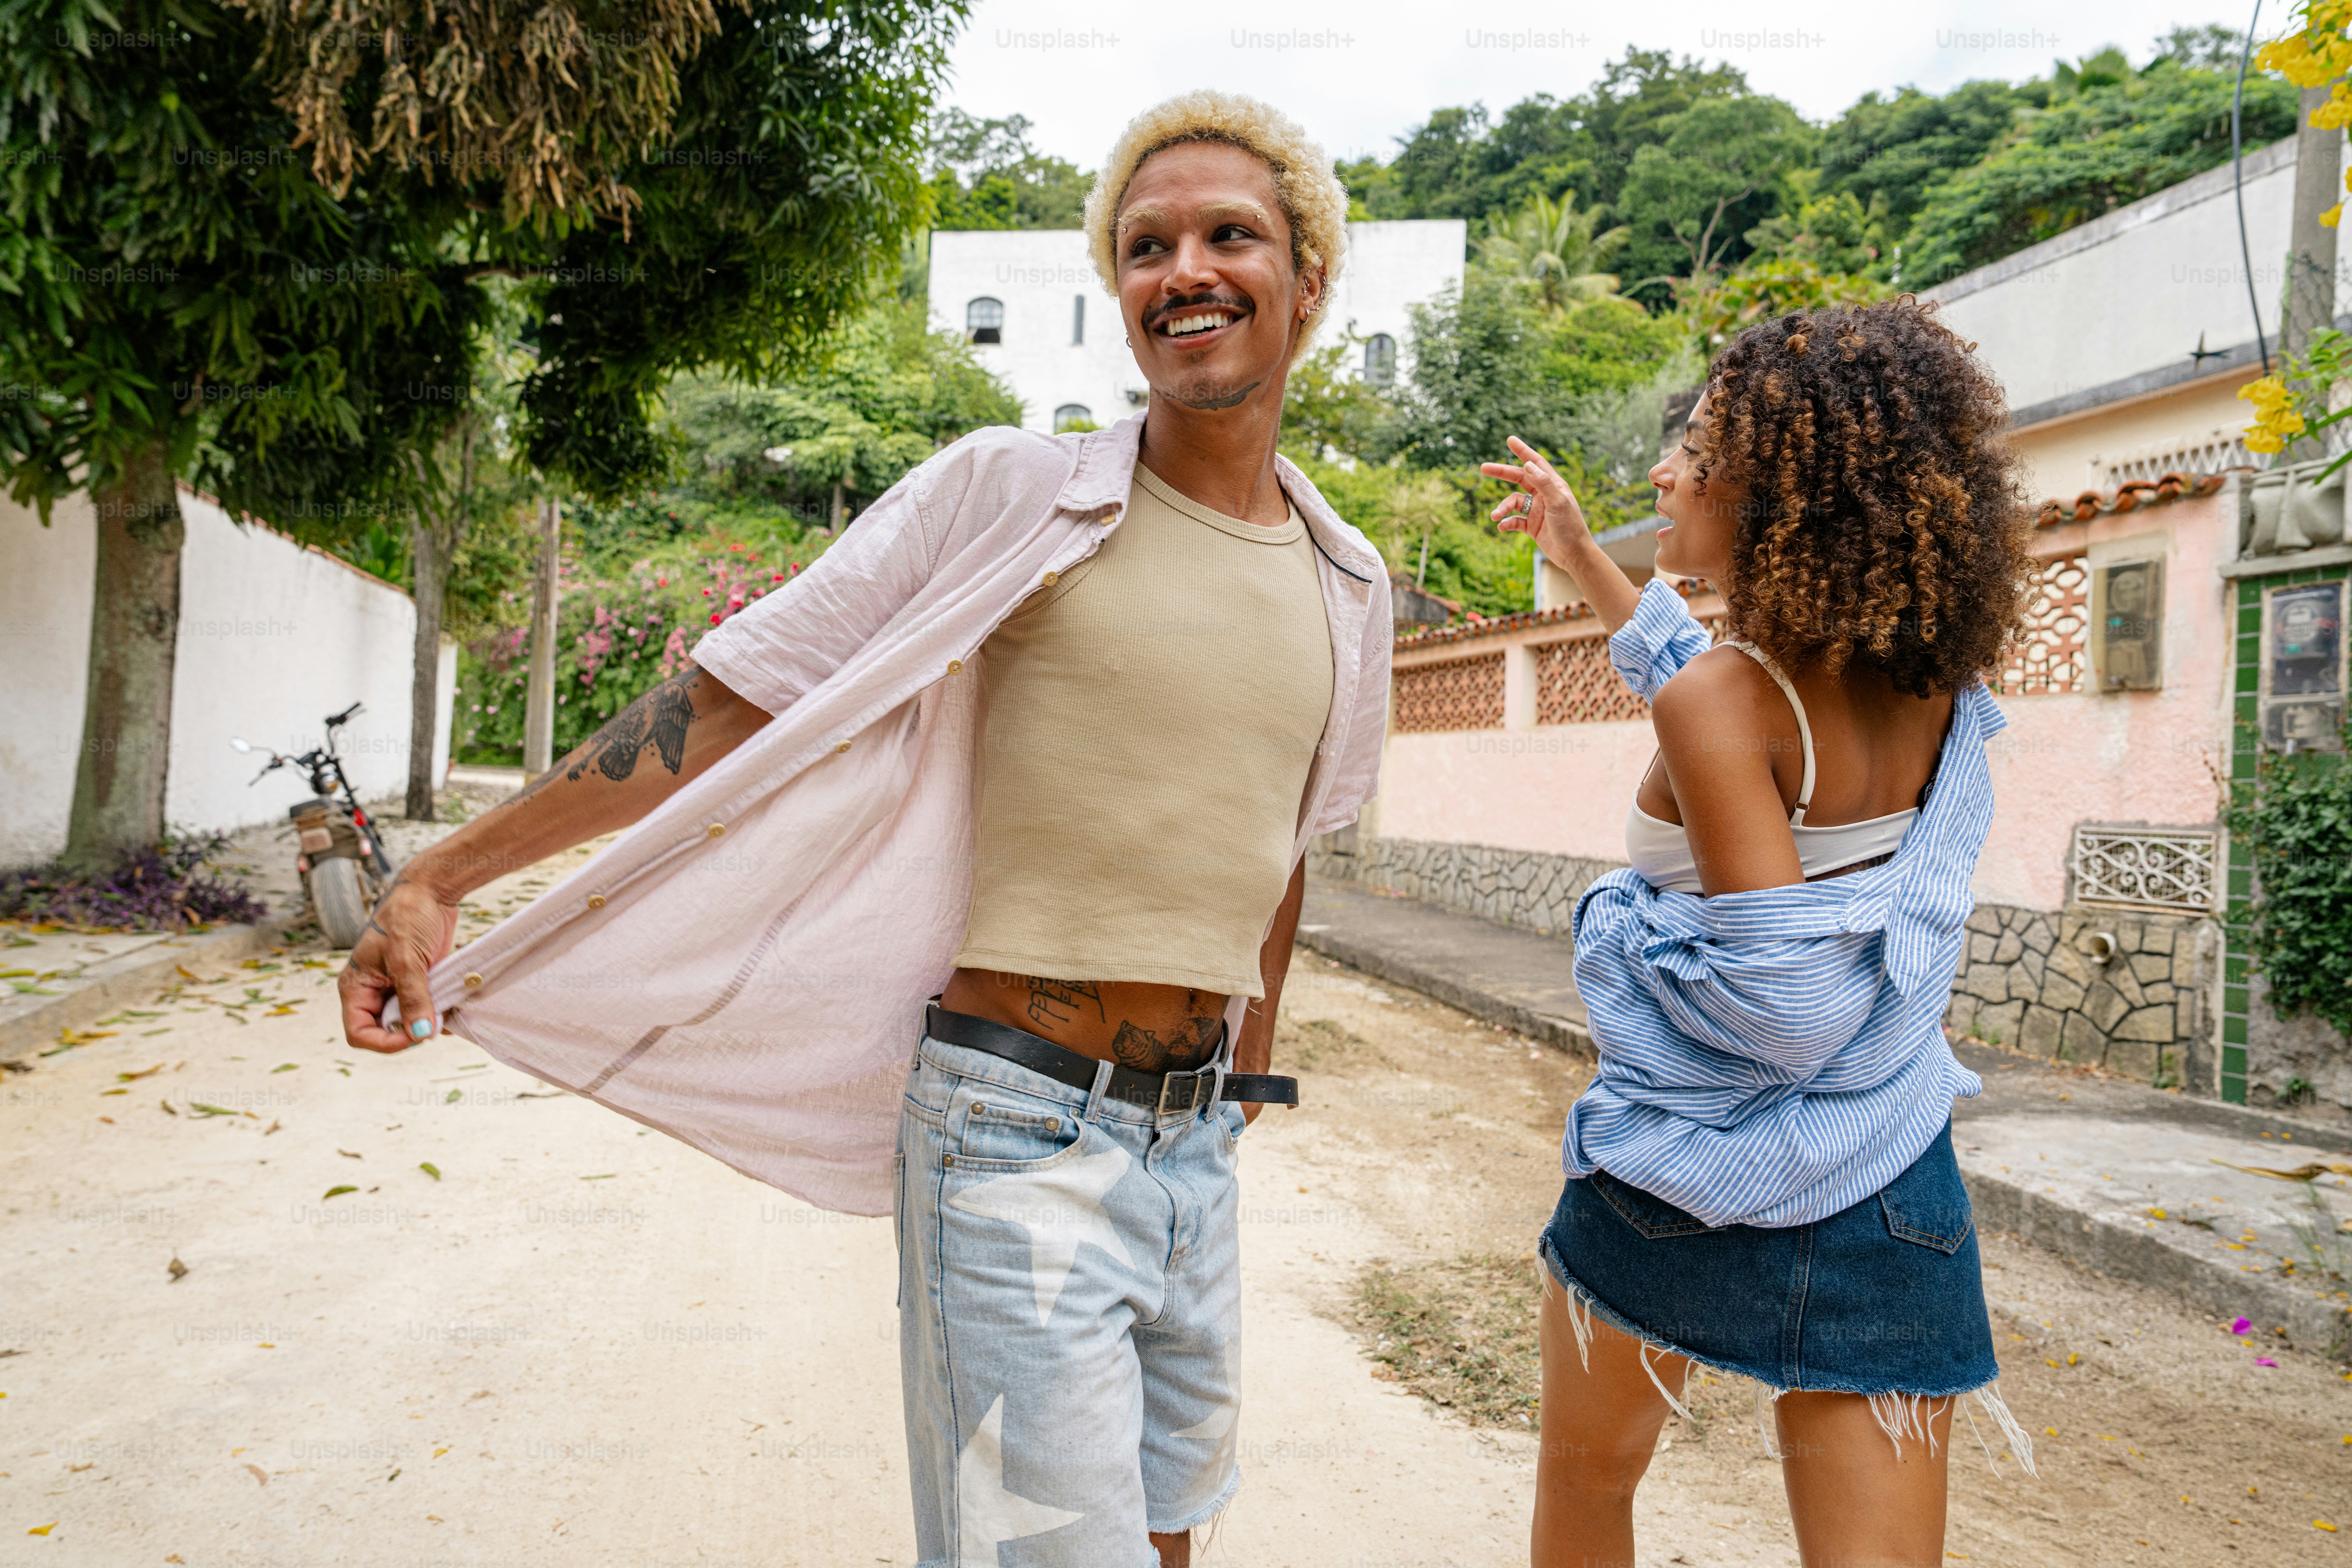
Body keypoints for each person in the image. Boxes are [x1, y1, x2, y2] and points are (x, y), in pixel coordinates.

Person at [339, 91, 1391, 1568]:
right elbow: (731, 694)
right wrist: (444, 872)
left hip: (1192, 1149)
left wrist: (1242, 1077)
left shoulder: (1348, 580)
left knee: (1171, 1539)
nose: (1185, 271)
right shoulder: (1018, 495)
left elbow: (1285, 844)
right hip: (1015, 1128)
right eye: (1146, 246)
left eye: (1231, 235)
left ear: (1309, 278)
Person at [1480, 299, 2040, 1568]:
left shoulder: (1726, 698)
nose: (1663, 471)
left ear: (1782, 495)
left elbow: (1783, 1007)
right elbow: (1710, 694)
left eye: (1696, 449)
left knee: (1586, 1495)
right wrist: (1580, 551)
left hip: (1678, 1177)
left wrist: (1620, 928)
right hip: (1888, 1166)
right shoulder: (1936, 688)